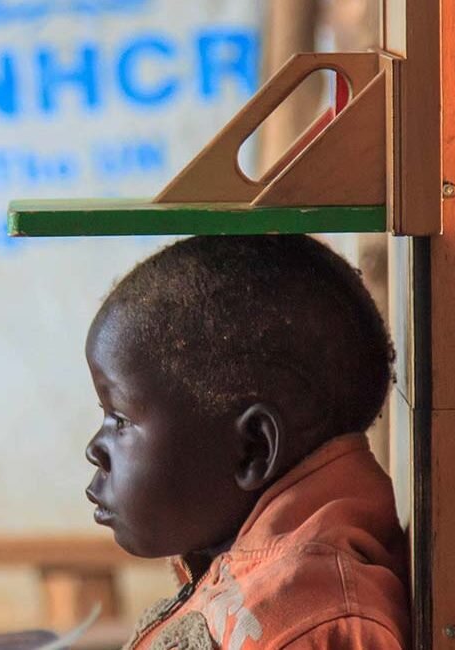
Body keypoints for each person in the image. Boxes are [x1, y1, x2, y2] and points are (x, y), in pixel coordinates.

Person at [82, 236, 409, 649]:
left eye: (121, 420)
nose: (95, 448)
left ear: (253, 448)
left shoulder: (311, 623)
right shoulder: (254, 569)